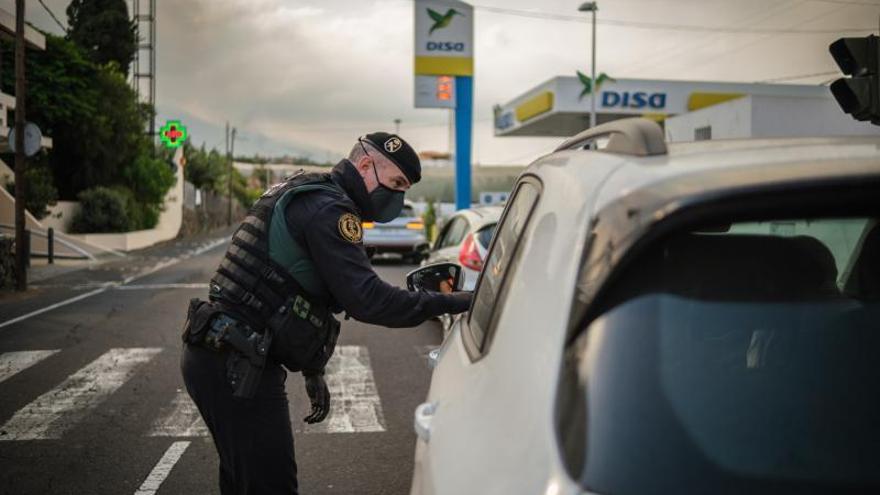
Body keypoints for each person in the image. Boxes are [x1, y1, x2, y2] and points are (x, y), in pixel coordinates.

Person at [180, 132, 472, 495]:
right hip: (235, 362)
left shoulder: (311, 192)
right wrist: (460, 301)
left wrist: (312, 368)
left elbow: (293, 290)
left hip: (222, 350)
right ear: (365, 165)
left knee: (244, 481)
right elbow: (368, 300)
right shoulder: (330, 209)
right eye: (396, 184)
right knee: (272, 486)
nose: (398, 197)